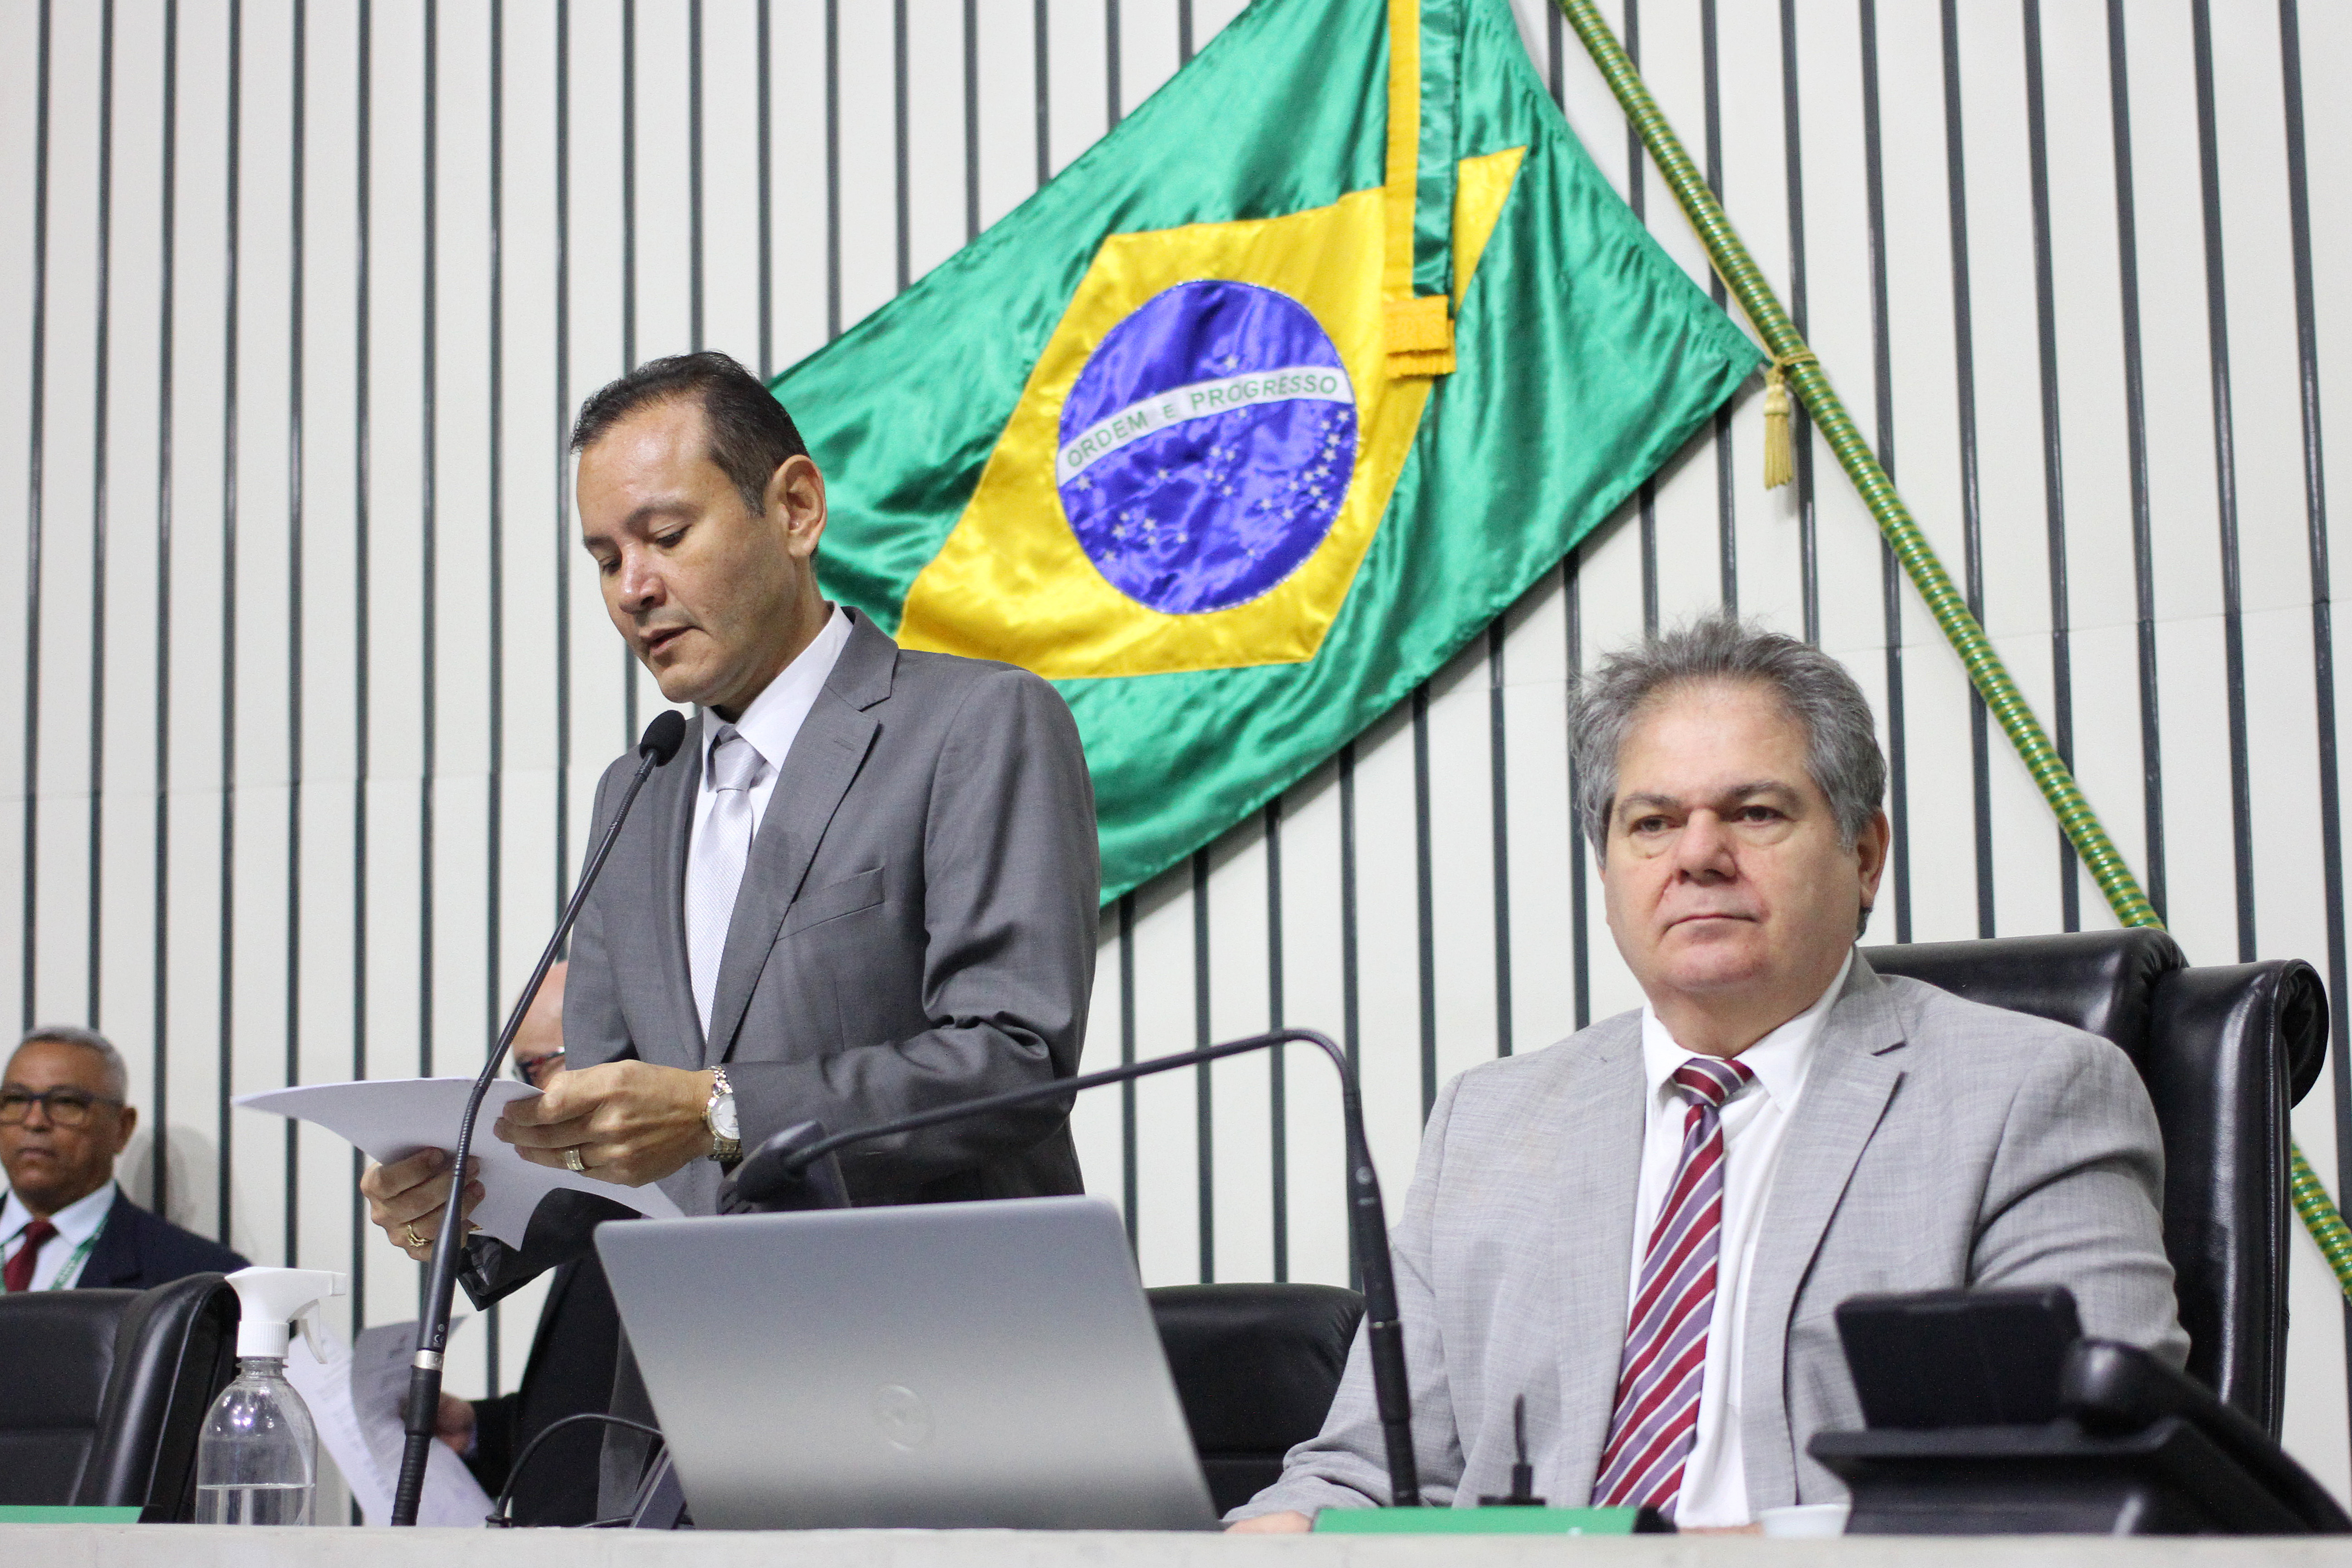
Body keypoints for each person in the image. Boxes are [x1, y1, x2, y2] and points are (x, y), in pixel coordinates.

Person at [1228, 615, 2185, 1531]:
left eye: (1755, 812)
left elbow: (2086, 1484)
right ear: (1606, 873)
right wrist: (1278, 1530)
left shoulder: (2033, 1096)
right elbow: (1369, 1473)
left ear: (1864, 855)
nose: (1697, 855)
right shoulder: (1489, 1123)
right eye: (1651, 823)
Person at [358, 351, 1099, 1482]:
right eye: (604, 557)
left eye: (664, 535)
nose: (631, 588)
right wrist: (463, 1206)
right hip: (679, 1424)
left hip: (939, 1392)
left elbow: (1012, 1060)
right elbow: (614, 1133)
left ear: (794, 508)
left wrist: (717, 1107)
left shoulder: (976, 725)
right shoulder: (638, 789)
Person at [433, 964, 625, 1528]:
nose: (537, 1091)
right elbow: (594, 1405)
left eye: (549, 1061)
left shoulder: (679, 1200)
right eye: (523, 1070)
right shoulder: (590, 1197)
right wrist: (478, 1430)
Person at [3, 1025, 249, 1291]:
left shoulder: (202, 1279)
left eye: (66, 1103)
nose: (34, 1121)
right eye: (15, 1100)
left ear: (121, 1128)